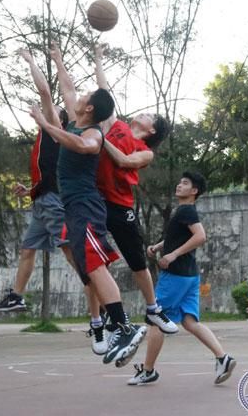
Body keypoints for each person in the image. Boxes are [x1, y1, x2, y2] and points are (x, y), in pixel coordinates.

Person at [28, 42, 147, 367]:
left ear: (91, 108)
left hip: (85, 206)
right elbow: (65, 87)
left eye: (85, 97)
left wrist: (46, 124)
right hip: (73, 210)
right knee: (88, 268)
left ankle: (124, 325)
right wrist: (56, 59)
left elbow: (84, 147)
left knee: (94, 265)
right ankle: (111, 323)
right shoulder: (77, 120)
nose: (78, 96)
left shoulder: (92, 133)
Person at [92, 43, 177, 338]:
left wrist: (102, 140)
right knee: (92, 260)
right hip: (95, 202)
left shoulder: (144, 150)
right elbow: (104, 92)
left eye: (150, 114)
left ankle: (153, 308)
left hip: (119, 208)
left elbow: (125, 160)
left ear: (151, 129)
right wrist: (98, 59)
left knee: (137, 260)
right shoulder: (114, 125)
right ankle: (101, 320)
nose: (143, 113)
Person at [128, 172, 236, 386]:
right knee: (190, 322)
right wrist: (160, 246)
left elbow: (200, 236)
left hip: (176, 275)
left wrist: (173, 254)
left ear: (194, 191)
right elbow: (179, 236)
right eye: (180, 181)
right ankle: (223, 358)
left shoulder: (186, 210)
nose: (179, 185)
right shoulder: (184, 211)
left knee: (155, 320)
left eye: (185, 183)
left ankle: (148, 371)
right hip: (190, 276)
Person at [0, 51, 75, 314]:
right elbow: (50, 172)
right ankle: (17, 296)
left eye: (56, 111)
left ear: (58, 118)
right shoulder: (46, 137)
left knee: (73, 254)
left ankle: (103, 298)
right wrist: (30, 189)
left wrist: (31, 62)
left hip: (52, 203)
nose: (52, 109)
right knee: (28, 249)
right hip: (42, 199)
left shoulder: (56, 129)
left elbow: (46, 93)